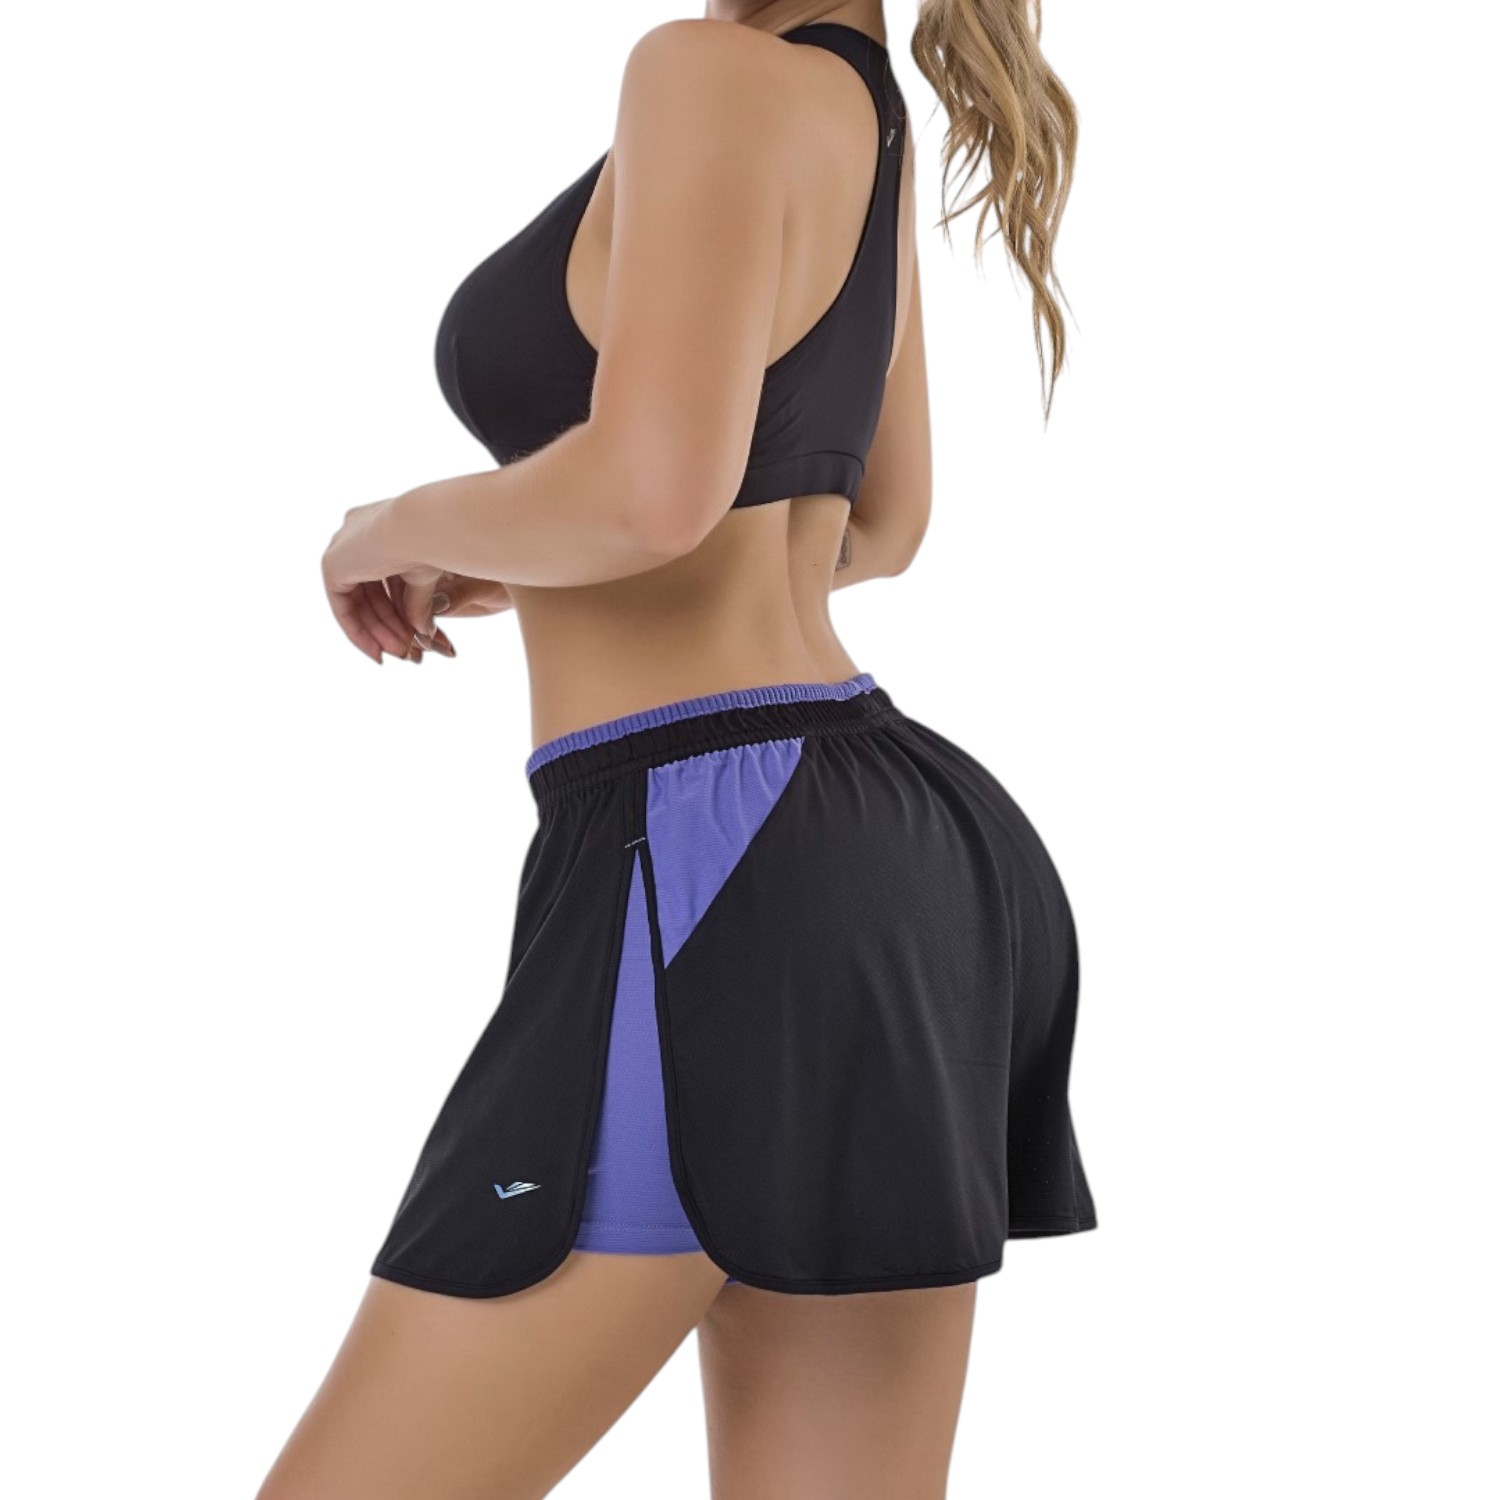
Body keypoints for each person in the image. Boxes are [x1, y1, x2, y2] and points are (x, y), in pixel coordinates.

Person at [258, 3, 1092, 1496]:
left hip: (709, 853)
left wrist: (387, 526)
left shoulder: (700, 72)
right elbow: (874, 522)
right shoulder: (856, 100)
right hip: (898, 858)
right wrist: (525, 556)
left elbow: (653, 495)